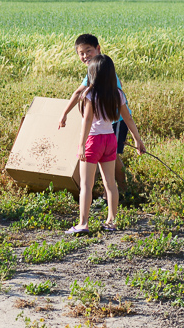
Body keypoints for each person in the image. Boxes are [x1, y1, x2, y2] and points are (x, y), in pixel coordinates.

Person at [65, 55, 145, 233]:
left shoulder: (90, 94)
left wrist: (81, 145)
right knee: (110, 184)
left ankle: (83, 223)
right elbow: (128, 118)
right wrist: (138, 140)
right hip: (110, 139)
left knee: (86, 185)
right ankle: (111, 221)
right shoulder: (118, 94)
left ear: (92, 74)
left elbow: (87, 120)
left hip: (93, 140)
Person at [58, 34, 131, 198]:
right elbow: (81, 94)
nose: (85, 56)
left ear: (98, 49)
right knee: (107, 156)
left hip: (116, 120)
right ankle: (112, 192)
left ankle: (123, 190)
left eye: (88, 51)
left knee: (114, 157)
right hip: (104, 121)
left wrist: (64, 114)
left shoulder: (102, 70)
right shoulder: (93, 70)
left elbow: (79, 93)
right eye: (81, 53)